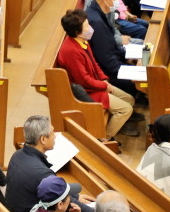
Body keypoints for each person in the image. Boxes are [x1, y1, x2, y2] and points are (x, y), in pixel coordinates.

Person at [56, 9, 136, 139]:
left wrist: (104, 80)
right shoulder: (71, 51)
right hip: (87, 91)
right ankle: (104, 139)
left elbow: (94, 64)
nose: (90, 27)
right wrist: (103, 86)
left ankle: (113, 127)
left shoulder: (83, 40)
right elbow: (84, 81)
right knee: (125, 109)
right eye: (87, 25)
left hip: (96, 84)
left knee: (129, 99)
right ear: (77, 32)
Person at [6, 115, 92, 212]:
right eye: (52, 132)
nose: (55, 136)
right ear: (43, 139)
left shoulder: (17, 155)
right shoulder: (41, 173)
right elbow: (61, 198)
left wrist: (76, 196)